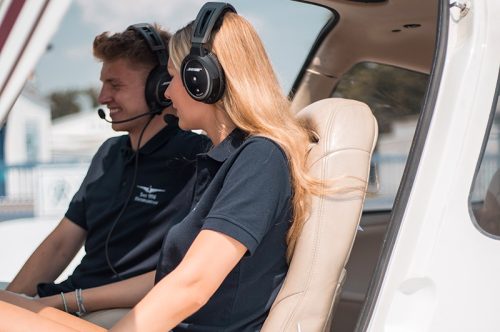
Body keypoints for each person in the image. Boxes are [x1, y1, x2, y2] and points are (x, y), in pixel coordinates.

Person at [0, 3, 332, 331]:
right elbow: (175, 277)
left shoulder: (259, 158)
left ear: (201, 81)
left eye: (173, 78)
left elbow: (192, 284)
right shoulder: (219, 162)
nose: (169, 92)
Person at [4, 23, 211, 299]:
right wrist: (13, 302)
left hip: (114, 309)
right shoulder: (108, 153)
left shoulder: (197, 159)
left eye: (115, 85)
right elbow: (60, 244)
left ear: (160, 87)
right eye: (103, 84)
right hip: (70, 298)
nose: (102, 97)